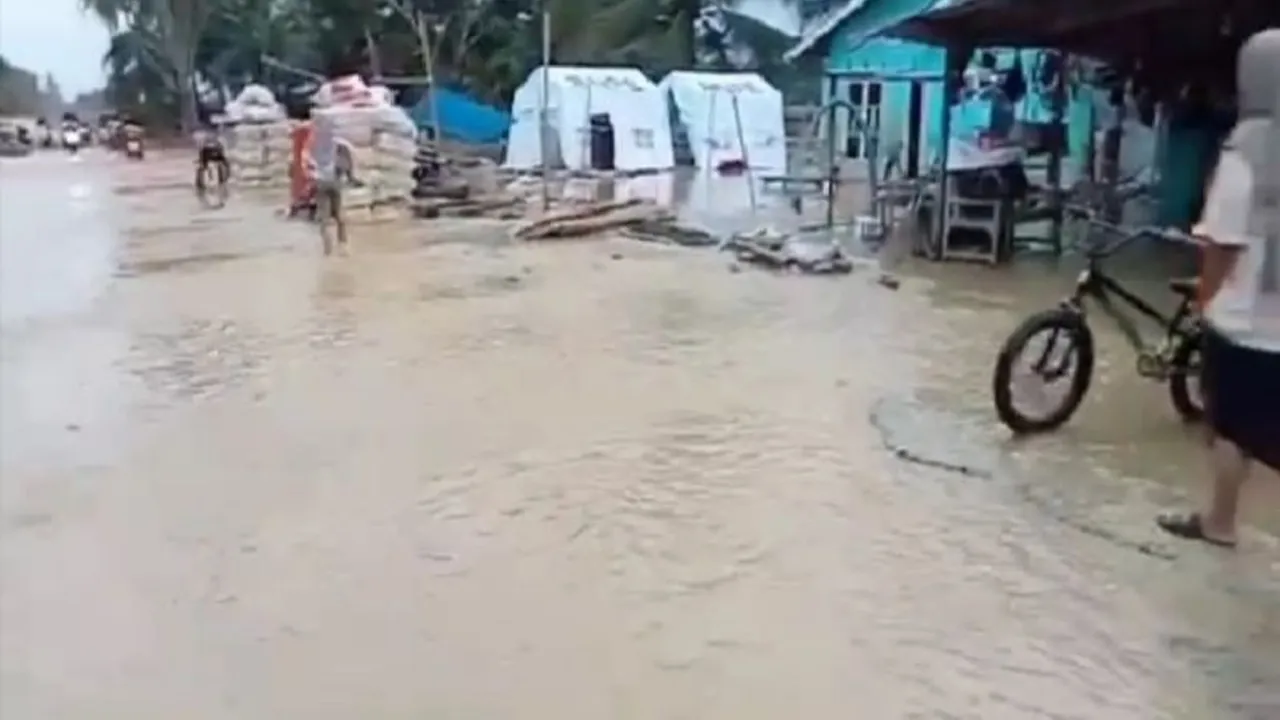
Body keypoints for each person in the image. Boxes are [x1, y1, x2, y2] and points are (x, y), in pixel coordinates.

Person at [1156, 29, 1280, 548]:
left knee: (1229, 428)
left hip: (1244, 322)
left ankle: (1221, 523)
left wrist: (1203, 299)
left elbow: (1222, 244)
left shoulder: (1245, 153)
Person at [309, 48, 363, 255]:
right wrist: (351, 176)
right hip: (334, 179)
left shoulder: (316, 139)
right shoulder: (338, 138)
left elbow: (307, 161)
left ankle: (327, 249)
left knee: (323, 217)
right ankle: (343, 245)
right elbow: (345, 156)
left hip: (320, 181)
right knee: (339, 213)